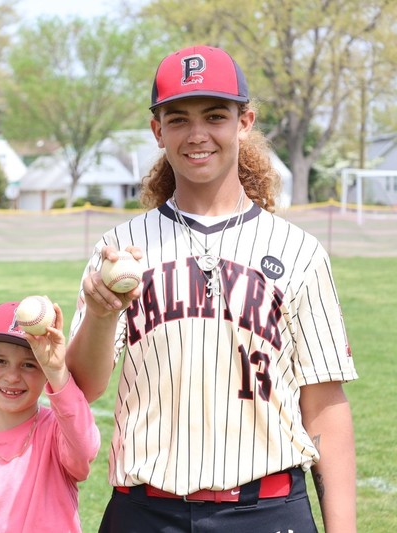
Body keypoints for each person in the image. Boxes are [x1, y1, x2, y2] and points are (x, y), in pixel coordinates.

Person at [65, 45, 358, 532]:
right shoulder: (120, 249)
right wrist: (101, 314)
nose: (197, 135)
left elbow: (324, 405)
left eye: (215, 115)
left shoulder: (298, 251)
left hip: (266, 509)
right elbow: (85, 386)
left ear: (244, 122)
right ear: (158, 131)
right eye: (178, 119)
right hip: (146, 510)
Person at [0, 300, 101, 533]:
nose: (12, 376)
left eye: (29, 365)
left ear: (44, 371)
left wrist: (57, 370)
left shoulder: (56, 431)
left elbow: (86, 449)